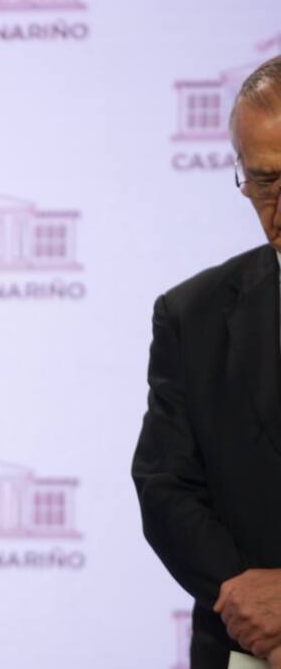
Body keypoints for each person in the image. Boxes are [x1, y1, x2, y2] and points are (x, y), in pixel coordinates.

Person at [133, 54, 281, 669]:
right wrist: (252, 604)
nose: (280, 209)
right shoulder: (192, 315)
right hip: (245, 649)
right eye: (264, 183)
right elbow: (166, 488)